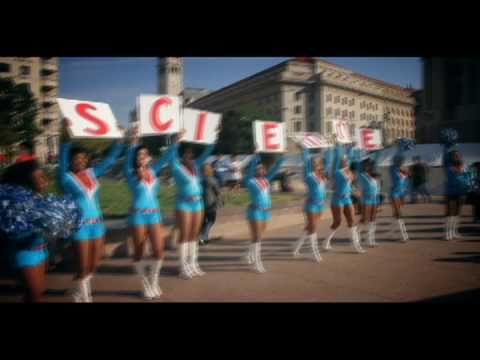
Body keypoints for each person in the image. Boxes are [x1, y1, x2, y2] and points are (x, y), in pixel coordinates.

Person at [58, 120, 125, 302]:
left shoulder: (92, 173)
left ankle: (74, 289)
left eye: (83, 158)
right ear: (70, 161)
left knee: (94, 265)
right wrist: (66, 137)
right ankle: (85, 297)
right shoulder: (66, 177)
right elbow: (62, 158)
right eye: (76, 159)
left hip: (98, 225)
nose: (80, 161)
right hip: (80, 226)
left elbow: (110, 160)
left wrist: (118, 142)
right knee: (83, 266)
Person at [0, 160, 80, 302]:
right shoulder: (17, 205)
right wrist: (37, 224)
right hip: (26, 254)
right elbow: (14, 233)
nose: (46, 181)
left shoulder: (38, 200)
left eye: (44, 176)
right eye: (40, 177)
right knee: (35, 296)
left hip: (42, 251)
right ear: (27, 181)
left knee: (36, 294)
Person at [124, 127, 182, 300]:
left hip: (155, 214)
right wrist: (132, 143)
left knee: (159, 251)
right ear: (136, 158)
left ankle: (153, 281)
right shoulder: (130, 173)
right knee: (139, 252)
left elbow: (167, 157)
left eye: (145, 154)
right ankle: (144, 285)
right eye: (139, 155)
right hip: (138, 216)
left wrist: (176, 142)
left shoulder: (153, 171)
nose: (143, 156)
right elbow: (128, 161)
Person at [170, 138, 217, 279]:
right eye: (187, 153)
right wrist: (175, 143)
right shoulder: (176, 166)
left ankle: (193, 263)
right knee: (185, 234)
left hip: (198, 203)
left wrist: (213, 138)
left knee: (194, 234)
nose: (190, 156)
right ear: (182, 155)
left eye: (192, 154)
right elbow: (171, 155)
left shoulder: (196, 167)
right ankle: (182, 267)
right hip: (184, 203)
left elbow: (207, 152)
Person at [244, 152, 285, 273]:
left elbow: (277, 167)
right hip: (255, 212)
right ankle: (257, 263)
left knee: (258, 237)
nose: (260, 170)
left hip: (265, 212)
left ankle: (249, 254)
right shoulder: (250, 181)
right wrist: (255, 156)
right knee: (257, 238)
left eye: (262, 168)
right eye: (258, 169)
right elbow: (250, 171)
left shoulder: (267, 180)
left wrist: (282, 156)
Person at [322, 142, 365, 254]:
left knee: (352, 221)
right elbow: (337, 158)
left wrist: (355, 192)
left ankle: (356, 244)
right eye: (344, 160)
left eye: (346, 160)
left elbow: (349, 185)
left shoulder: (350, 172)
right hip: (337, 199)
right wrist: (338, 148)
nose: (345, 161)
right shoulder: (337, 172)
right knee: (337, 222)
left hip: (347, 199)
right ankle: (326, 241)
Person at [292, 145, 326, 262]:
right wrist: (304, 150)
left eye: (319, 162)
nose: (318, 164)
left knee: (309, 228)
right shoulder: (309, 175)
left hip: (320, 205)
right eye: (315, 163)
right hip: (311, 205)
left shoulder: (322, 176)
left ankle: (296, 248)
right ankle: (314, 252)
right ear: (312, 165)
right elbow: (306, 162)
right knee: (313, 229)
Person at [443, 149, 472, 240]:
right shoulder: (449, 167)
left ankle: (454, 231)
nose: (457, 157)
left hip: (461, 192)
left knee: (457, 214)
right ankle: (448, 233)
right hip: (451, 193)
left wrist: (468, 181)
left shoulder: (464, 167)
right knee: (449, 214)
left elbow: (469, 177)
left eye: (458, 155)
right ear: (451, 158)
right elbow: (452, 174)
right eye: (455, 155)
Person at [388, 146, 411, 242]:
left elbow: (407, 179)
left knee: (396, 214)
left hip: (401, 193)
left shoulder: (404, 170)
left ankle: (391, 233)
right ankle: (403, 235)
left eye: (402, 160)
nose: (401, 161)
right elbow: (396, 167)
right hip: (394, 194)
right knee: (399, 214)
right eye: (400, 160)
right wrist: (400, 149)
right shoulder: (393, 168)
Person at [357, 158, 380, 247]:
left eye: (369, 165)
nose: (368, 166)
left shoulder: (373, 175)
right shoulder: (362, 175)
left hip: (374, 199)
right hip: (366, 199)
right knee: (365, 219)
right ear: (364, 166)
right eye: (367, 165)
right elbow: (359, 167)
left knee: (373, 219)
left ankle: (370, 240)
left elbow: (376, 186)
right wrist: (364, 162)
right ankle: (356, 233)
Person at [199, 162, 223, 245]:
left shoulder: (200, 180)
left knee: (203, 221)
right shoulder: (213, 180)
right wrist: (220, 201)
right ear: (210, 170)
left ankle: (203, 237)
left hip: (201, 203)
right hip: (211, 203)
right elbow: (218, 192)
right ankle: (203, 237)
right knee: (211, 220)